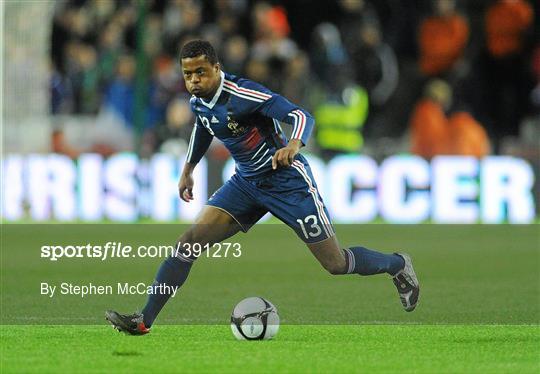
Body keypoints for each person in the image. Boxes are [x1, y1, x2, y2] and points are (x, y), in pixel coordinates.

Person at [106, 40, 419, 335]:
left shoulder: (243, 94)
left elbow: (300, 114)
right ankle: (144, 320)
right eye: (188, 74)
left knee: (335, 264)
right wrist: (188, 169)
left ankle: (397, 264)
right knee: (188, 243)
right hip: (246, 184)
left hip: (286, 182)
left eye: (200, 72)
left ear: (216, 67)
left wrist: (294, 144)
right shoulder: (198, 102)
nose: (194, 80)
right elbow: (203, 128)